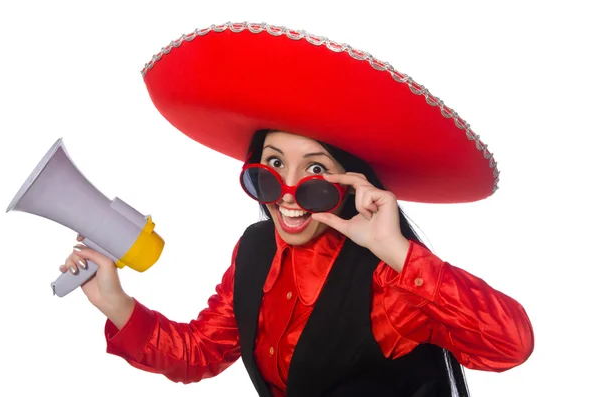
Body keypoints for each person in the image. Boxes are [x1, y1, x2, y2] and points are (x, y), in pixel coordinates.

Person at [60, 22, 534, 396]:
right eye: (271, 166)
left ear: (352, 182)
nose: (287, 193)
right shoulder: (254, 251)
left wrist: (396, 250)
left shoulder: (391, 281)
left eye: (315, 172)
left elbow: (510, 345)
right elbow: (200, 353)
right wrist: (114, 302)